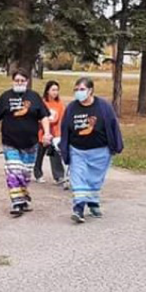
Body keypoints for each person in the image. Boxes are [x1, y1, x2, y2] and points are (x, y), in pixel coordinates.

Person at [0, 69, 52, 217]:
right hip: (10, 142)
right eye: (17, 81)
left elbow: (44, 116)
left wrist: (46, 133)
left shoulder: (34, 97)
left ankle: (23, 197)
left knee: (25, 174)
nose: (19, 83)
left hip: (31, 143)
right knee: (14, 171)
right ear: (12, 81)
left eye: (22, 81)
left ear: (27, 82)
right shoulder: (5, 97)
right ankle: (17, 202)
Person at [59, 77, 124, 223]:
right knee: (78, 178)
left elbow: (113, 125)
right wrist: (65, 148)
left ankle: (93, 202)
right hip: (78, 150)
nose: (78, 93)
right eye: (76, 90)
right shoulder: (71, 108)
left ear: (91, 90)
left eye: (82, 89)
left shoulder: (103, 106)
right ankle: (79, 208)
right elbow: (65, 129)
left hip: (100, 151)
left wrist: (116, 145)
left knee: (94, 180)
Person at [33, 80, 66, 185]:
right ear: (47, 91)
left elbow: (61, 119)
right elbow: (38, 118)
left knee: (55, 154)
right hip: (42, 133)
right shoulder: (42, 103)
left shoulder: (60, 104)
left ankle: (59, 176)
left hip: (55, 133)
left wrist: (58, 134)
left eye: (57, 90)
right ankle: (38, 173)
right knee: (40, 154)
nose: (55, 92)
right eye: (53, 90)